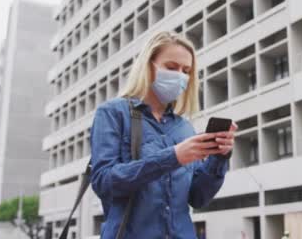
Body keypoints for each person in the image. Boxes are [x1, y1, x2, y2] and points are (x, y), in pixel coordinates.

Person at [90, 31, 236, 239]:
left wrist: (220, 157)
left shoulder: (184, 128)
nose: (180, 76)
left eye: (186, 70)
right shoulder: (113, 113)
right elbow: (104, 182)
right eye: (171, 67)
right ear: (148, 66)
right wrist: (172, 157)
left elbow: (198, 197)